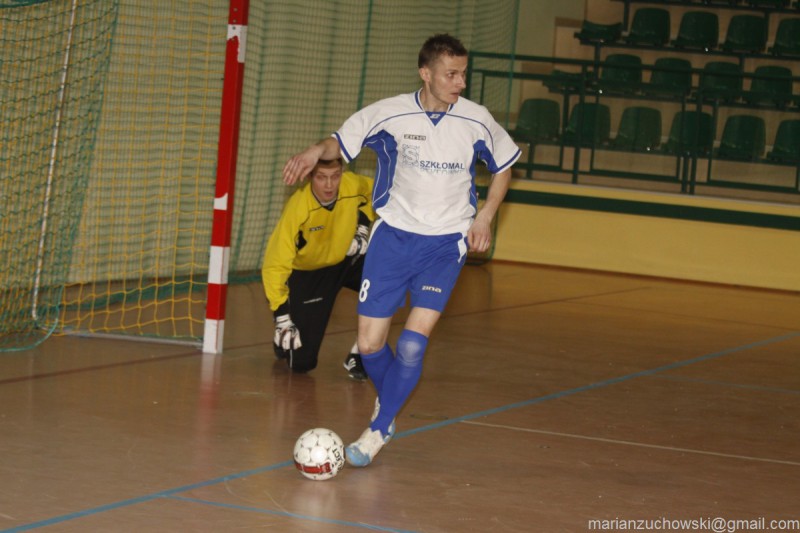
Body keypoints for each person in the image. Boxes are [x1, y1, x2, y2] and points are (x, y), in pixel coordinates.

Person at [282, 34, 520, 466]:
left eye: (463, 74)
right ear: (425, 73)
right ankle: (390, 400)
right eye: (451, 74)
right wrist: (317, 149)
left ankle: (378, 428)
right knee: (369, 345)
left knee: (411, 345)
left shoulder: (477, 119)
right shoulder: (390, 113)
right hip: (392, 239)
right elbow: (341, 142)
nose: (461, 82)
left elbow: (504, 166)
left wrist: (485, 217)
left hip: (445, 244)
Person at [262, 157, 375, 380]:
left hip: (346, 260)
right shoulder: (298, 207)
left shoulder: (351, 185)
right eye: (322, 177)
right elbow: (275, 264)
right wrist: (281, 315)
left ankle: (360, 353)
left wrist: (362, 228)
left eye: (335, 176)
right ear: (309, 176)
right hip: (309, 274)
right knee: (302, 363)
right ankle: (284, 335)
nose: (329, 185)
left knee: (387, 284)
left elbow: (374, 192)